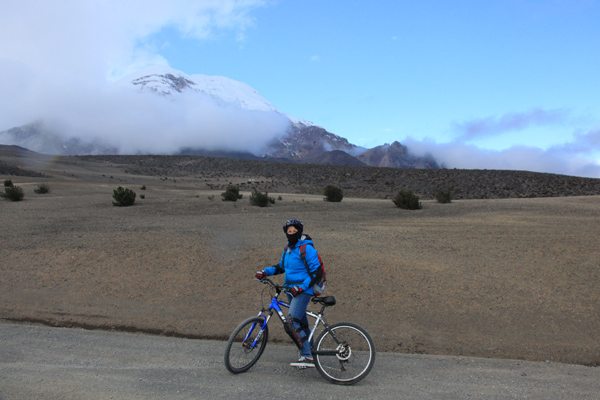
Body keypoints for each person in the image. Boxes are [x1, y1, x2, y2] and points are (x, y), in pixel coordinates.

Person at [255, 219, 322, 368]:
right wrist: (265, 272)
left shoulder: (307, 248)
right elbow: (281, 267)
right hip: (289, 290)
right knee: (301, 323)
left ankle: (307, 355)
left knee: (291, 322)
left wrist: (301, 287)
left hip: (303, 290)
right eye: (289, 232)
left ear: (299, 232)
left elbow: (317, 272)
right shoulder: (288, 249)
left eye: (294, 231)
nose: (291, 234)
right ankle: (310, 349)